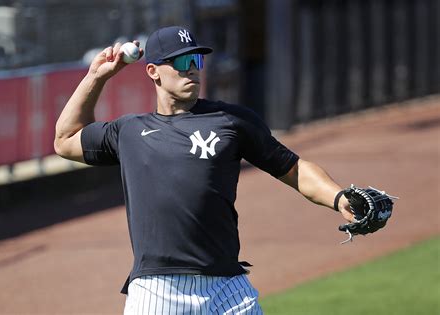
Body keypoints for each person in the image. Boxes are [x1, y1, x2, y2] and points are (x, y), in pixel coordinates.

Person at [54, 26, 355, 314]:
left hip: (229, 286)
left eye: (196, 59)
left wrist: (340, 197)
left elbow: (294, 169)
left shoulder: (230, 120)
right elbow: (65, 140)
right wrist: (97, 76)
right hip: (158, 289)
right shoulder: (130, 131)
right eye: (182, 61)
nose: (192, 68)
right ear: (153, 71)